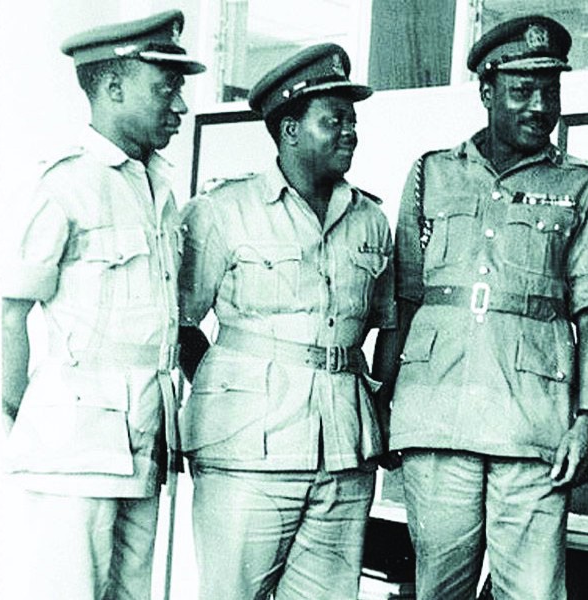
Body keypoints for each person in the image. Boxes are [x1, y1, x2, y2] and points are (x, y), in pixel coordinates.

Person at [371, 14, 588, 600]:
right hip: (436, 420)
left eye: (550, 91)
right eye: (521, 91)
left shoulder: (585, 185)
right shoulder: (431, 173)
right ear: (486, 92)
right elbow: (403, 304)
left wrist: (585, 420)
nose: (539, 106)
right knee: (439, 590)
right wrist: (385, 399)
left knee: (533, 593)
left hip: (535, 427)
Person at [176, 43, 395, 600]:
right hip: (246, 449)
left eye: (352, 121)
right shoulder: (223, 211)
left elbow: (387, 323)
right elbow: (178, 320)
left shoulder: (370, 218)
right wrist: (227, 383)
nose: (349, 132)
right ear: (290, 129)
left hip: (344, 450)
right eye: (334, 120)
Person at [0, 10, 204, 599]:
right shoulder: (62, 184)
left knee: (132, 592)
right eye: (164, 88)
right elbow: (11, 311)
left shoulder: (159, 187)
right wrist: (22, 414)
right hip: (75, 436)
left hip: (145, 432)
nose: (180, 107)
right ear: (113, 88)